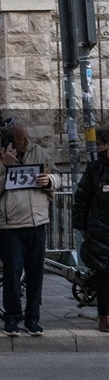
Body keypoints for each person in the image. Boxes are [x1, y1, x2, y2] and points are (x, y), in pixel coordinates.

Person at [0, 117, 61, 337]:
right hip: (10, 225)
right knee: (12, 273)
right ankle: (12, 318)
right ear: (8, 141)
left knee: (36, 274)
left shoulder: (38, 152)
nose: (27, 141)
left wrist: (50, 181)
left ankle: (33, 318)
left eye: (28, 137)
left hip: (36, 221)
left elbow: (57, 176)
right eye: (21, 139)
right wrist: (4, 166)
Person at [73, 126, 109, 333]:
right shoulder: (96, 169)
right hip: (100, 231)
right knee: (105, 275)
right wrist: (82, 226)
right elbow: (82, 197)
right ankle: (104, 316)